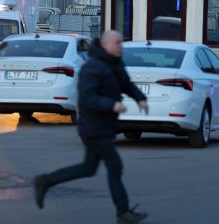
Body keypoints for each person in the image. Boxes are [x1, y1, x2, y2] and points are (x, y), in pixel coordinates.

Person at [34, 29, 150, 222]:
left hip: (105, 126)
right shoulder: (92, 67)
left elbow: (126, 84)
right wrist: (111, 104)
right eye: (117, 43)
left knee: (88, 168)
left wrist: (140, 99)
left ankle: (45, 181)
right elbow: (88, 98)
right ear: (105, 45)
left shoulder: (114, 64)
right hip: (93, 127)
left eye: (121, 42)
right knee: (115, 166)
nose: (121, 46)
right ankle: (123, 212)